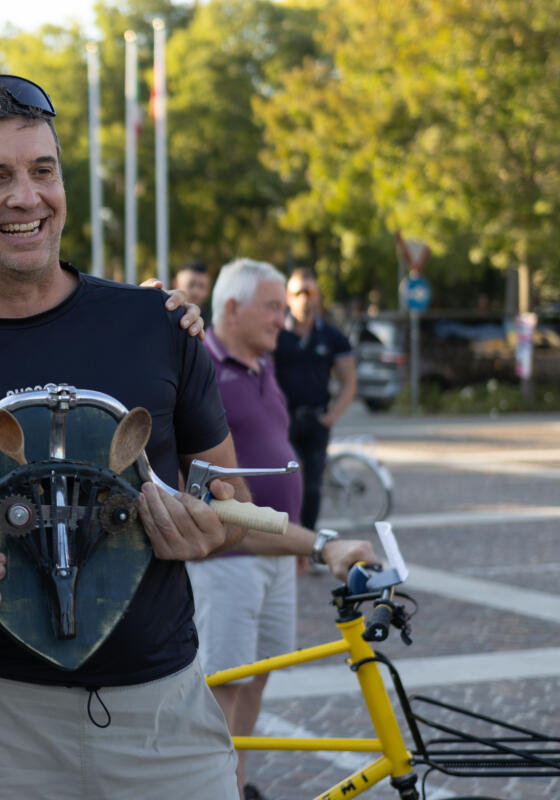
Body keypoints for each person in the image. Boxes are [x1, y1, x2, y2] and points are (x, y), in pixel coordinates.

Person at [0, 72, 272, 800]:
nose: (26, 197)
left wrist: (208, 530)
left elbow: (231, 499)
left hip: (163, 724)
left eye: (43, 170)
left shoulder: (158, 326)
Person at [189, 258, 377, 800]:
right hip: (232, 556)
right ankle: (216, 789)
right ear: (232, 308)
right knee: (225, 679)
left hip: (278, 551)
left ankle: (238, 782)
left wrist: (296, 542)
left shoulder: (262, 364)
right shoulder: (202, 365)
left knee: (260, 672)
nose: (283, 318)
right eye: (272, 307)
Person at [274, 268, 357, 529]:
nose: (305, 298)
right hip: (284, 421)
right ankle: (284, 536)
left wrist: (332, 416)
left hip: (316, 422)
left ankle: (308, 541)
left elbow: (349, 382)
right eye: (299, 292)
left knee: (312, 487)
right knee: (286, 481)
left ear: (318, 296)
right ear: (288, 297)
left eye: (310, 292)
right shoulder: (276, 333)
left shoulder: (332, 337)